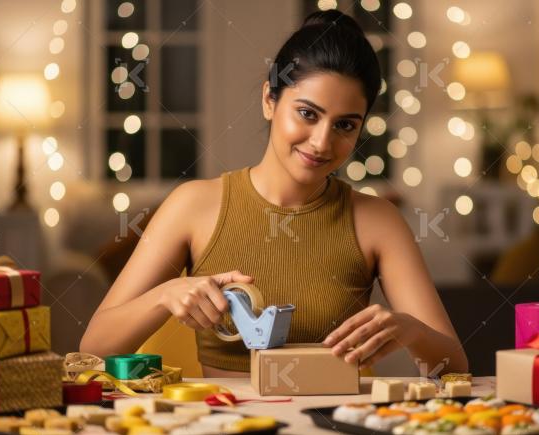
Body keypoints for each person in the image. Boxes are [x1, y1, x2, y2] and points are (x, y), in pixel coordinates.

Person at [81, 9, 468, 378]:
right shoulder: (193, 205)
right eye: (308, 113)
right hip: (225, 424)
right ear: (270, 99)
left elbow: (454, 368)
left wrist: (410, 330)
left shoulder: (378, 221)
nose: (321, 142)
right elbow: (92, 350)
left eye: (345, 125)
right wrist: (164, 295)